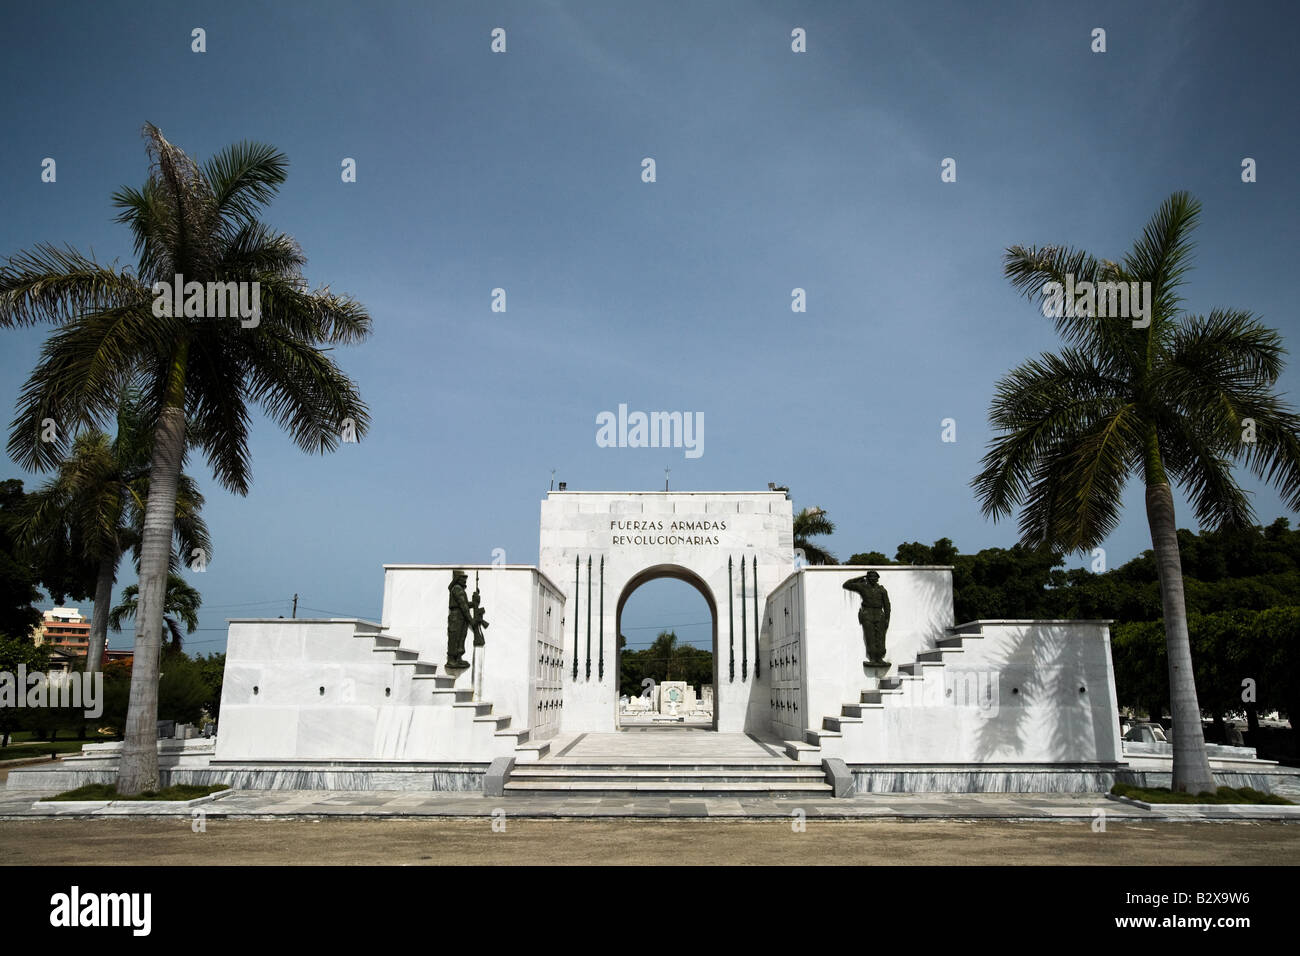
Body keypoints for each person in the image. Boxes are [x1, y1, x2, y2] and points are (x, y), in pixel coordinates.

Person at [843, 570, 890, 664]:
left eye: (875, 577)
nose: (873, 579)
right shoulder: (863, 587)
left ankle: (880, 658)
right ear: (867, 578)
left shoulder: (882, 590)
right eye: (870, 577)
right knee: (870, 637)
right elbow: (846, 584)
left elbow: (887, 605)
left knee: (881, 637)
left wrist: (887, 619)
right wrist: (860, 578)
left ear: (877, 579)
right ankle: (872, 658)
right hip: (867, 613)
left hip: (879, 614)